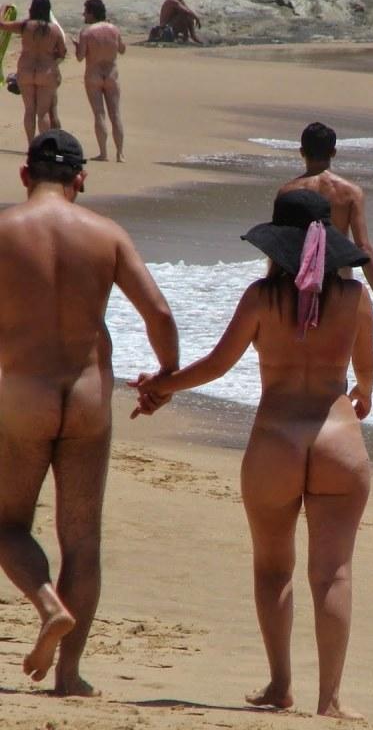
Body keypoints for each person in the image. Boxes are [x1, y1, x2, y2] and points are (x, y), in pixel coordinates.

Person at [131, 189, 373, 719]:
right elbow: (365, 371)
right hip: (337, 439)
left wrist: (161, 387)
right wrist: (364, 392)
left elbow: (217, 365)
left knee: (273, 567)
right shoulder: (356, 298)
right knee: (333, 573)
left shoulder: (262, 297)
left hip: (276, 440)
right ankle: (330, 700)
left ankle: (280, 684)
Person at [0, 130, 179, 696]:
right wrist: (165, 378)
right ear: (81, 179)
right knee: (82, 541)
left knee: (6, 525)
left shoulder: (4, 229)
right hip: (87, 396)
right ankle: (70, 675)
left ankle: (48, 605)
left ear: (25, 175)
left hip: (23, 393)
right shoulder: (107, 234)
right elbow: (159, 313)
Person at [277, 122, 373, 332]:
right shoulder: (351, 193)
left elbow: (278, 247)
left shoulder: (288, 193)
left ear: (302, 152)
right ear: (333, 152)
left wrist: (270, 292)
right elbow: (363, 247)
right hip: (339, 286)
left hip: (295, 287)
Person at [0, 0, 66, 144]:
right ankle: (44, 146)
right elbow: (62, 53)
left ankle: (31, 145)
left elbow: (1, 24)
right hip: (46, 71)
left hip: (26, 70)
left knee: (29, 111)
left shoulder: (25, 25)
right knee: (43, 113)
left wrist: (3, 8)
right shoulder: (54, 29)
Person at [74, 0, 126, 163]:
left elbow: (80, 57)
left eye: (86, 12)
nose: (84, 15)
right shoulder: (114, 29)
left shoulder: (86, 32)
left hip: (93, 75)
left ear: (92, 13)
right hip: (111, 75)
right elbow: (122, 49)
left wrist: (77, 46)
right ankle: (120, 154)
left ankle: (103, 153)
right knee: (115, 114)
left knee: (99, 114)